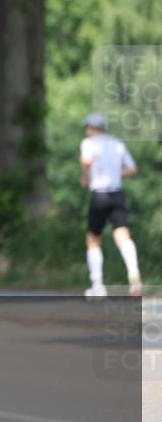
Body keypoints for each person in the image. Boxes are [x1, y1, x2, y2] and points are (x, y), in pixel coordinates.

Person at [79, 112, 141, 298]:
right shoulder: (117, 144)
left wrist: (85, 177)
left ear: (91, 128)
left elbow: (86, 161)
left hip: (99, 194)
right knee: (123, 235)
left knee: (93, 238)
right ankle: (133, 272)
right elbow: (132, 168)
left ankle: (97, 284)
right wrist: (116, 174)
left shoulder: (89, 143)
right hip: (117, 194)